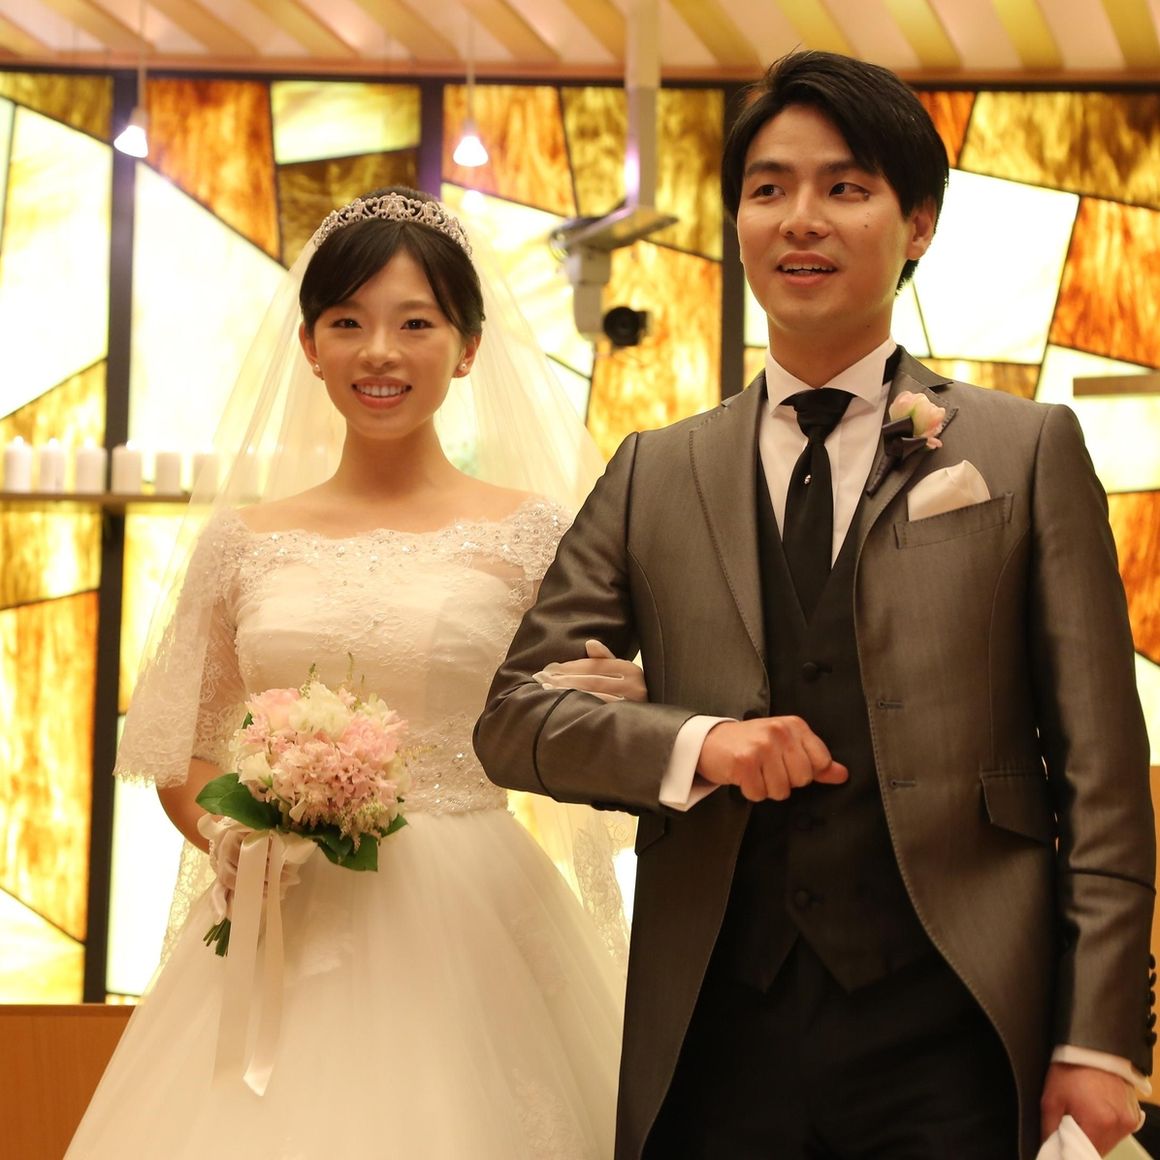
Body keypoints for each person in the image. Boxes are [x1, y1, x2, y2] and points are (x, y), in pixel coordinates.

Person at [474, 50, 1156, 1160]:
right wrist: (697, 742)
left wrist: (1100, 1037)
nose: (801, 218)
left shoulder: (1023, 450)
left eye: (845, 187)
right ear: (740, 223)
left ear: (917, 224)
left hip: (954, 1022)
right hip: (715, 1027)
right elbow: (514, 716)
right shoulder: (655, 470)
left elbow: (1102, 773)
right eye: (768, 188)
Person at [66, 187, 629, 1159]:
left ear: (466, 347)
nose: (379, 352)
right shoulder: (241, 542)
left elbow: (575, 719)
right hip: (282, 916)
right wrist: (230, 835)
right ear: (310, 345)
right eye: (347, 322)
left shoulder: (532, 533)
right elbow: (185, 748)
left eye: (415, 323)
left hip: (477, 914)